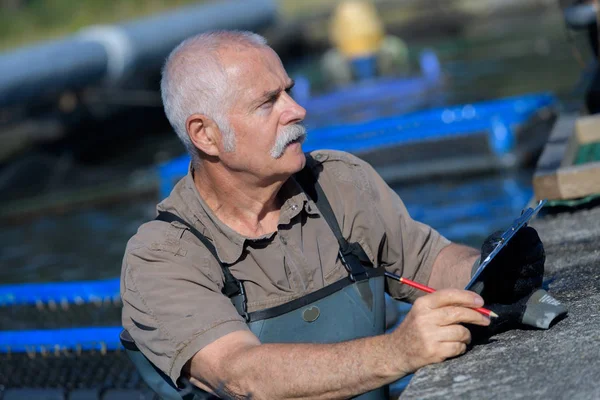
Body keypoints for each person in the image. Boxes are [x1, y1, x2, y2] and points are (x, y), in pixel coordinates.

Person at [120, 30, 545, 399]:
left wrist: (490, 270)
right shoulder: (160, 257)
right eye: (268, 102)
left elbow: (427, 263)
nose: (297, 110)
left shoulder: (338, 181)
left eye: (288, 90)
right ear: (205, 135)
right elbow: (241, 375)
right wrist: (399, 351)